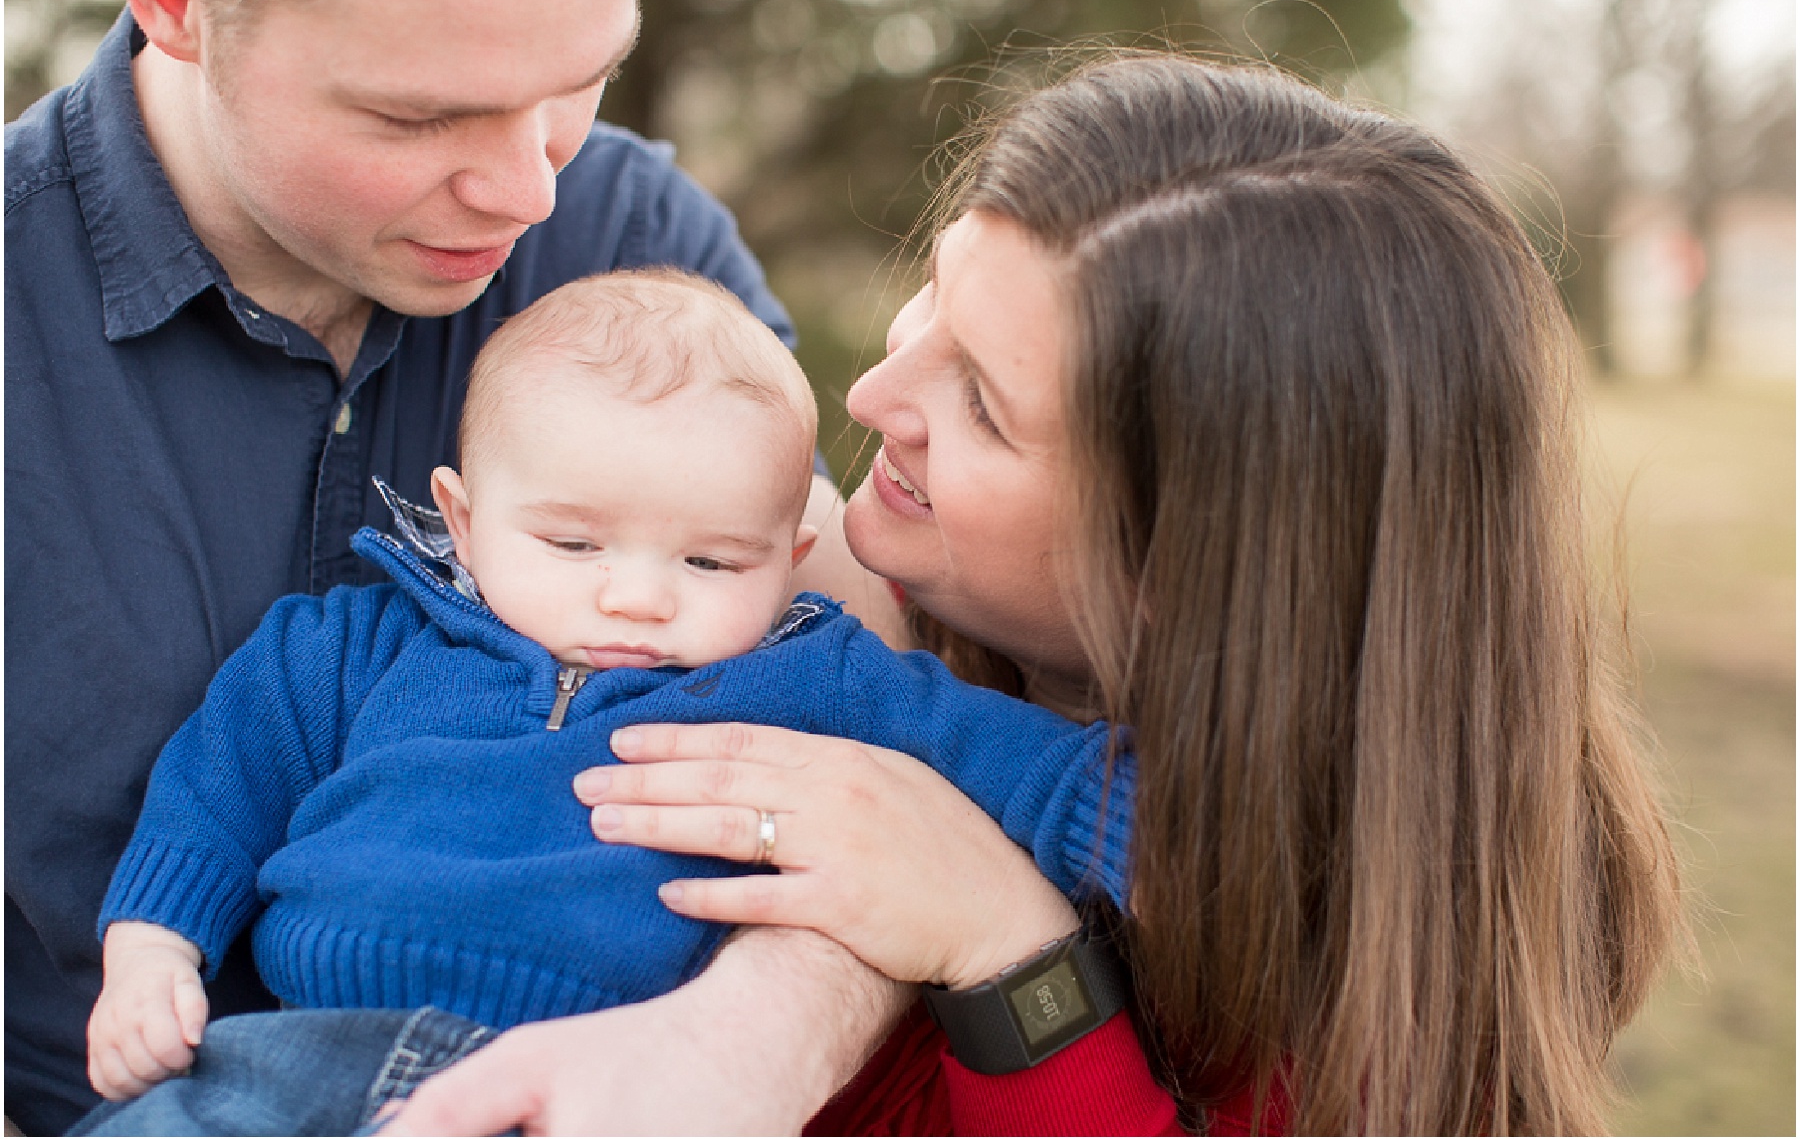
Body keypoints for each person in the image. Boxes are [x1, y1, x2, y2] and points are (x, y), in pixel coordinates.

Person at [387, 55, 1688, 1135]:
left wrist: (1013, 954)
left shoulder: (1384, 962)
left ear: (1191, 566)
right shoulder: (759, 597)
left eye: (988, 409)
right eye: (935, 300)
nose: (874, 399)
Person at [5, 0, 905, 1135]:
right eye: (419, 115)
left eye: (583, 77)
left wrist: (757, 1031)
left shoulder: (637, 242)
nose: (530, 191)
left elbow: (885, 742)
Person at [73, 270, 1133, 1136]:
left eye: (712, 559)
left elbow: (1019, 764)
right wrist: (154, 945)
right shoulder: (359, 643)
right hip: (294, 1052)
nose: (635, 595)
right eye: (573, 543)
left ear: (788, 559)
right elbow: (220, 783)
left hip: (620, 1082)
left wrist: (1176, 832)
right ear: (465, 515)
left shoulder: (817, 676)